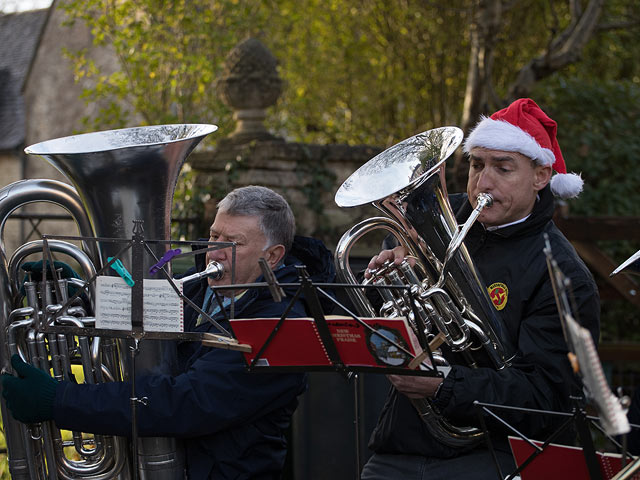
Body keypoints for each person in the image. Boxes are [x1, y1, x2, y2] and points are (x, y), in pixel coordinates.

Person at [1, 185, 336, 479]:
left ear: (273, 257)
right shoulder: (194, 285)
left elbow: (183, 402)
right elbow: (138, 320)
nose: (214, 252)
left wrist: (59, 400)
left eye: (233, 242)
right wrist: (74, 293)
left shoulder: (283, 328)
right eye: (214, 236)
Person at [360, 98, 600, 479]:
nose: (483, 181)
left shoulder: (563, 275)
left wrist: (443, 384)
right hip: (400, 445)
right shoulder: (438, 222)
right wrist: (383, 284)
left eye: (503, 168)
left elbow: (548, 398)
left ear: (540, 176)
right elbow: (386, 327)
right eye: (476, 165)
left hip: (493, 456)